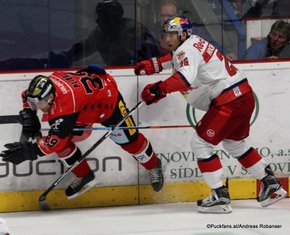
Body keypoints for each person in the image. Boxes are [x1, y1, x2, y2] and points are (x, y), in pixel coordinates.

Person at [134, 16, 287, 213]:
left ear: (182, 34)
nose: (167, 37)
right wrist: (154, 65)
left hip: (229, 102)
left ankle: (220, 196)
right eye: (166, 33)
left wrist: (158, 89)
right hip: (244, 96)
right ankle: (271, 185)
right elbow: (177, 59)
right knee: (235, 143)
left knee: (200, 143)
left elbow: (183, 77)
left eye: (172, 33)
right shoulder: (194, 41)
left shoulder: (185, 49)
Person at [0, 64, 164, 199]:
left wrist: (30, 152)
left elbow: (56, 140)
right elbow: (26, 96)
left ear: (51, 97)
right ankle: (84, 175)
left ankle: (153, 165)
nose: (38, 107)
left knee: (130, 141)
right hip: (83, 107)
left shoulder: (66, 105)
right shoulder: (45, 88)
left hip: (108, 102)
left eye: (40, 104)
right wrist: (30, 114)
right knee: (61, 143)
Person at [0, 0, 160, 70]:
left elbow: (146, 55)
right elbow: (83, 48)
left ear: (111, 17)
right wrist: (64, 57)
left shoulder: (131, 28)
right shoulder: (100, 33)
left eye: (102, 16)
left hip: (139, 75)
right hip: (115, 74)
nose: (97, 20)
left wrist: (124, 65)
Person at [152, 0, 237, 60]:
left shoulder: (192, 31)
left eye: (169, 16)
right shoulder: (153, 36)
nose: (165, 19)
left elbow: (209, 45)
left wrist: (224, 54)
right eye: (162, 16)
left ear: (178, 15)